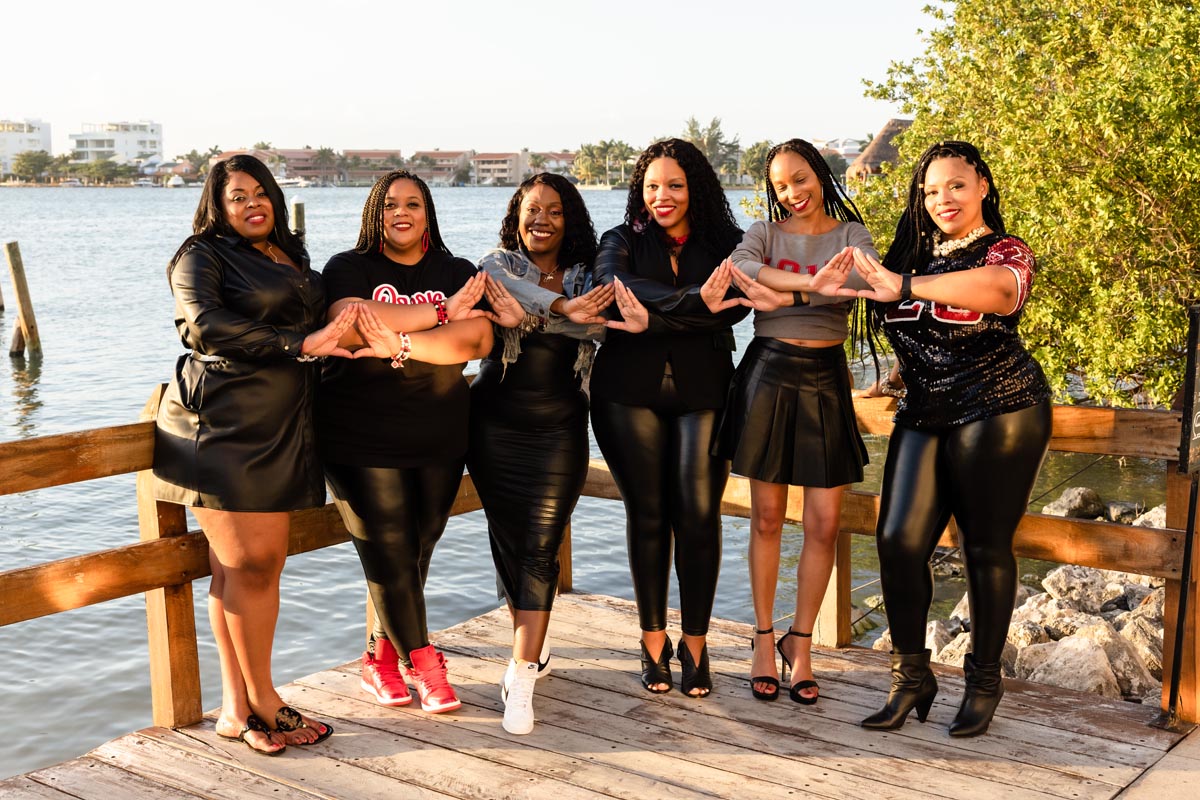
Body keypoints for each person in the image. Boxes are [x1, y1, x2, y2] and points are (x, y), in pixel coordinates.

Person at [821, 141, 1052, 736]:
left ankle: (983, 681)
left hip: (1000, 405)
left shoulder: (1005, 250)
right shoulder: (910, 255)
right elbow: (911, 325)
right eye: (929, 191)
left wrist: (905, 284)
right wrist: (896, 372)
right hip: (924, 410)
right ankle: (911, 677)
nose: (941, 199)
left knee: (984, 546)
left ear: (982, 187)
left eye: (954, 186)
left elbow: (999, 294)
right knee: (897, 540)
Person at [153, 154, 347, 755]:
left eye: (261, 192)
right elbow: (205, 326)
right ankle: (266, 700)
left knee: (240, 571)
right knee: (253, 567)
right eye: (238, 196)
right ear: (218, 205)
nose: (253, 203)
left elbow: (320, 324)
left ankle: (236, 710)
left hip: (283, 424)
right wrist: (300, 342)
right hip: (220, 425)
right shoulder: (200, 255)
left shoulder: (290, 253)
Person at [316, 170, 521, 715]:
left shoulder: (456, 271)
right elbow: (349, 322)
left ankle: (379, 660)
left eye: (411, 203)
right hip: (359, 433)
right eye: (388, 205)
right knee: (388, 547)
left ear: (429, 212)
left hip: (439, 432)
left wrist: (400, 342)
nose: (399, 213)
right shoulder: (348, 267)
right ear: (373, 214)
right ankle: (427, 666)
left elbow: (478, 340)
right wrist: (440, 314)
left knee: (417, 548)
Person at [468, 173, 648, 734]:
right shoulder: (498, 264)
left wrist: (543, 315)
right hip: (492, 422)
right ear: (516, 216)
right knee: (508, 538)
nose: (540, 219)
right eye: (531, 209)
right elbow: (513, 294)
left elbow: (596, 320)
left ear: (569, 217)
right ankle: (533, 648)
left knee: (542, 545)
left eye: (553, 210)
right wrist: (565, 312)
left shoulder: (590, 272)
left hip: (560, 426)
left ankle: (520, 672)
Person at [712, 138, 872, 704]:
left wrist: (782, 292)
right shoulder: (763, 232)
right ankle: (761, 639)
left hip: (827, 376)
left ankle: (798, 645)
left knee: (825, 522)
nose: (792, 193)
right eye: (781, 184)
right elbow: (741, 268)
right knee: (766, 519)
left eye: (800, 179)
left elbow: (864, 281)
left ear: (820, 176)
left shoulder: (851, 234)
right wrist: (811, 287)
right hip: (769, 374)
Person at [590, 139, 748, 698]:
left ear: (695, 188)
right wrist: (695, 307)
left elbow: (738, 302)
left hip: (705, 393)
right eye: (653, 186)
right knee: (649, 513)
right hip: (625, 395)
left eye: (674, 185)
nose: (662, 196)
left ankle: (696, 643)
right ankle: (652, 639)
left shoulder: (730, 242)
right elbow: (616, 290)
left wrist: (654, 318)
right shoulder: (619, 240)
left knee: (699, 516)